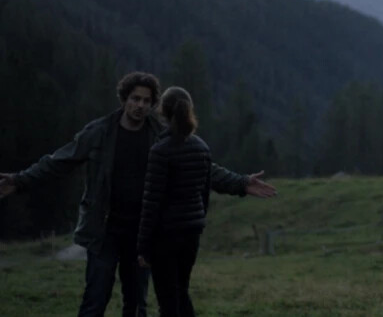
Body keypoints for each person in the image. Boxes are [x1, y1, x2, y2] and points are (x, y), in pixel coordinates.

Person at [0, 72, 277, 317]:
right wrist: (20, 180)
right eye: (135, 99)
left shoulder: (160, 135)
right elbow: (58, 161)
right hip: (104, 230)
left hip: (143, 233)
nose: (140, 105)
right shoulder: (99, 133)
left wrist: (240, 183)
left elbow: (201, 166)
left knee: (136, 305)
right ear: (124, 98)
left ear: (154, 104)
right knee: (95, 300)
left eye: (146, 101)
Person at [137, 86, 210, 317]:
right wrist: (198, 219)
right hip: (192, 232)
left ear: (163, 113)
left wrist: (143, 246)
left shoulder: (160, 151)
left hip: (165, 235)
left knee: (168, 299)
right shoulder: (201, 147)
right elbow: (204, 194)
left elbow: (152, 202)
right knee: (181, 291)